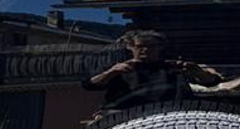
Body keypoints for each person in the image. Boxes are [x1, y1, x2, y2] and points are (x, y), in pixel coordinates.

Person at [81, 28, 224, 112]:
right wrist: (111, 72)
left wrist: (197, 71)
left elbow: (212, 82)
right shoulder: (120, 68)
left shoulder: (174, 67)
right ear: (131, 47)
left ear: (160, 48)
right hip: (123, 118)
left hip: (170, 116)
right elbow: (90, 85)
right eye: (140, 46)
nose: (145, 50)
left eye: (151, 46)